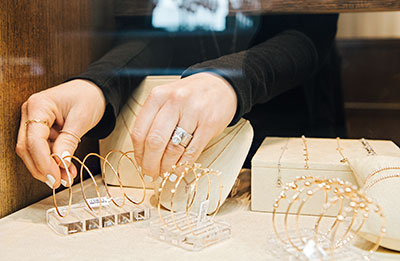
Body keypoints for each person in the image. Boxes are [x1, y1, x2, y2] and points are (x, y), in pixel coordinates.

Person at [16, 8, 345, 189]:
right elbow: (159, 29)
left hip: (286, 127)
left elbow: (310, 32)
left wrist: (230, 80)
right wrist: (97, 84)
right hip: (183, 161)